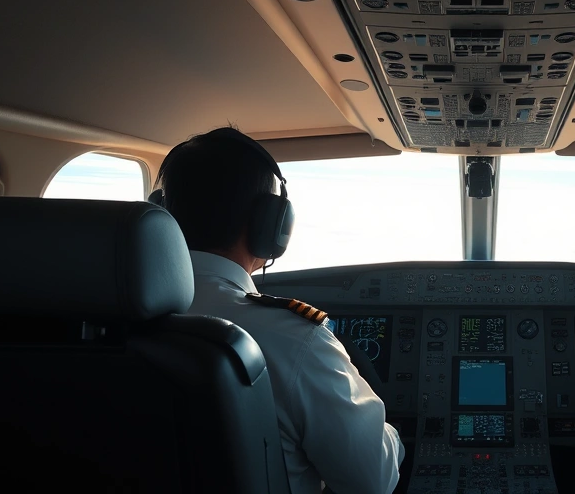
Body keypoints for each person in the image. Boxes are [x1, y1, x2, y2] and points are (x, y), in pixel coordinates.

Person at [153, 127, 403, 494]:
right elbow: (373, 481)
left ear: (162, 211)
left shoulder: (99, 322)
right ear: (270, 226)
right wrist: (388, 426)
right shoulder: (296, 338)